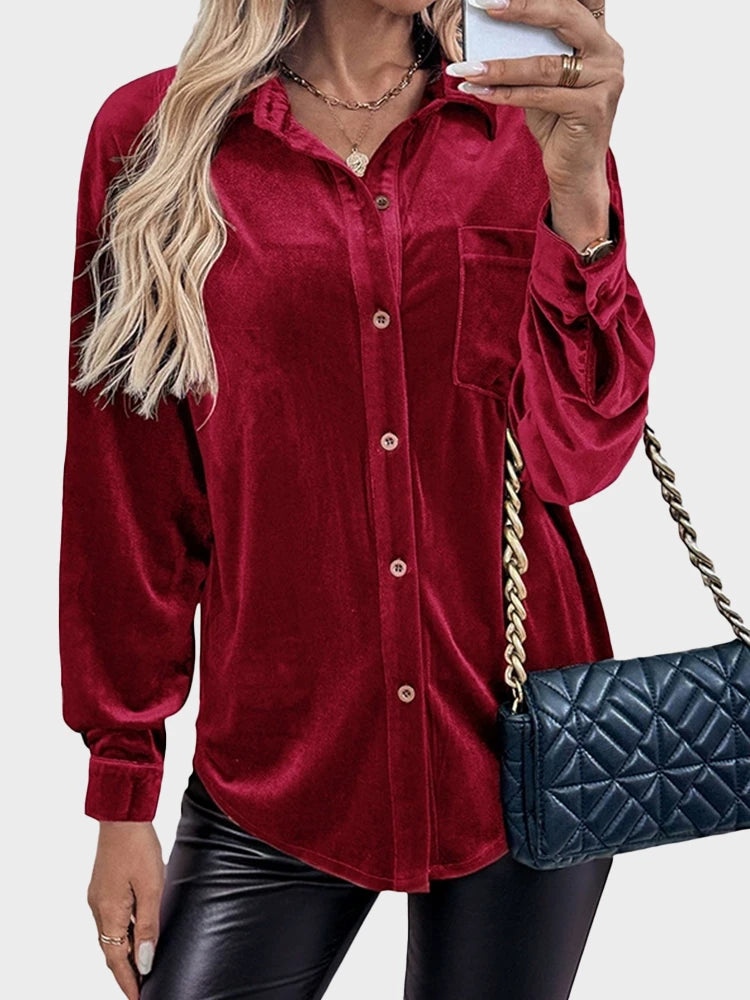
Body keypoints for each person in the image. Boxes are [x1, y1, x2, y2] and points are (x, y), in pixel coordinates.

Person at [59, 1, 655, 997]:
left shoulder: (524, 120)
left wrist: (580, 191)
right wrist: (123, 790)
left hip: (532, 748)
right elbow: (126, 487)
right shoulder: (153, 140)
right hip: (281, 770)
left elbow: (582, 458)